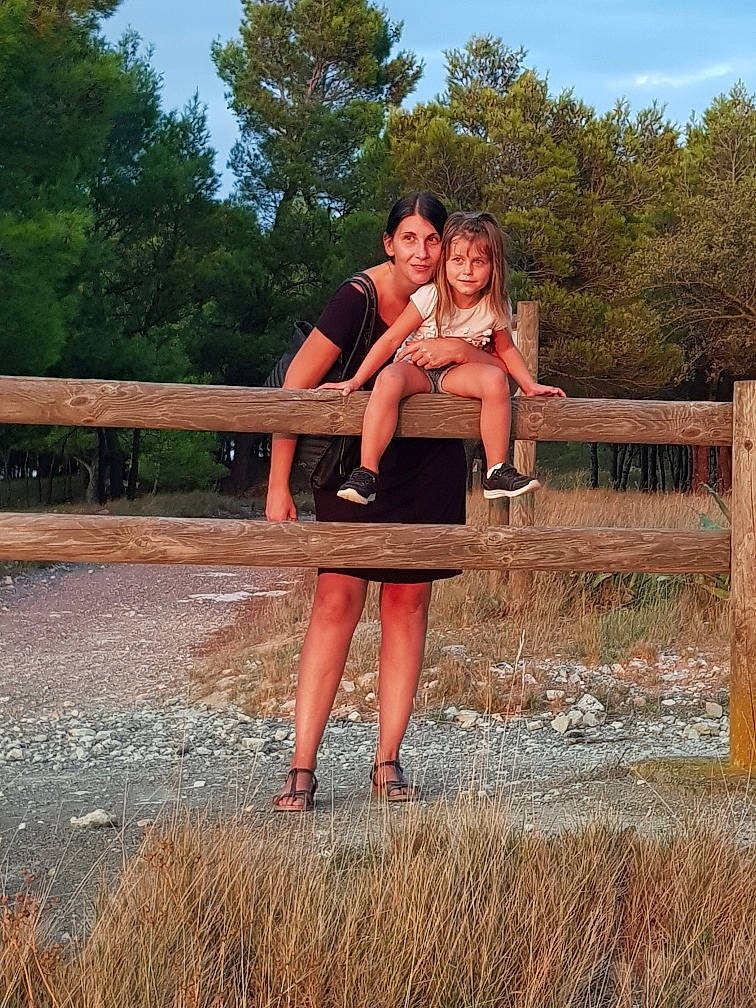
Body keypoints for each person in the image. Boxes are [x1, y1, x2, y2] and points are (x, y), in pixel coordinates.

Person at [266, 192, 510, 812]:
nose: (424, 253)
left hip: (429, 467)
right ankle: (302, 765)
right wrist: (278, 485)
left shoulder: (466, 291)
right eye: (410, 239)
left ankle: (388, 761)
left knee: (408, 602)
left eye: (434, 240)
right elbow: (295, 386)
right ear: (388, 243)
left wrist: (461, 352)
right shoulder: (360, 300)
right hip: (359, 466)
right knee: (337, 598)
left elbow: (494, 351)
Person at [323, 212, 565, 507]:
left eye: (479, 262)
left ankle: (496, 470)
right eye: (458, 260)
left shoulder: (495, 304)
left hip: (456, 376)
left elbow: (506, 351)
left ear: (493, 266)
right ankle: (367, 472)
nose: (467, 271)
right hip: (418, 370)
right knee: (389, 378)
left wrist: (529, 386)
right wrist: (357, 380)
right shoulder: (431, 295)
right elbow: (391, 339)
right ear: (445, 262)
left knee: (494, 379)